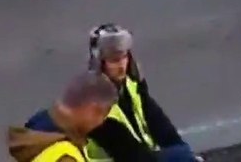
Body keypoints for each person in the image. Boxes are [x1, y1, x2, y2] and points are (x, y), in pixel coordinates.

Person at [85, 24, 198, 162]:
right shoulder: (95, 106)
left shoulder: (131, 85)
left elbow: (162, 127)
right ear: (99, 63)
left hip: (142, 157)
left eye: (124, 57)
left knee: (182, 153)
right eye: (114, 60)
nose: (121, 65)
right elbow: (133, 155)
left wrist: (187, 154)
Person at [10, 72, 120, 162]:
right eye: (103, 115)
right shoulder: (65, 157)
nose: (100, 122)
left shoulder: (38, 128)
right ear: (92, 109)